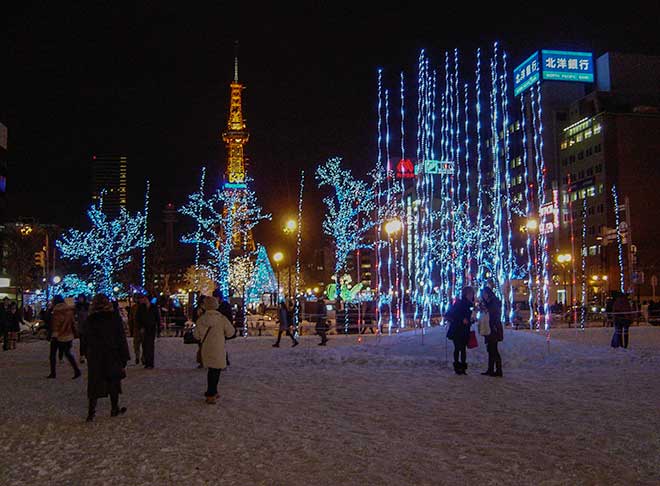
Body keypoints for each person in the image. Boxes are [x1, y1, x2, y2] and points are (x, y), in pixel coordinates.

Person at [85, 293, 130, 421]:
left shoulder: (91, 319)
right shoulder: (113, 318)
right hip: (112, 353)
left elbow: (85, 337)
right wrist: (124, 356)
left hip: (95, 354)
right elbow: (120, 338)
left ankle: (91, 412)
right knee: (113, 381)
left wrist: (86, 353)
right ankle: (114, 408)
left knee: (94, 383)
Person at [193, 296, 237, 404]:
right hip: (218, 348)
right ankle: (211, 393)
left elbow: (196, 335)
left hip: (206, 348)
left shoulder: (201, 319)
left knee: (211, 370)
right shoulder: (221, 319)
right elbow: (231, 332)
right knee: (215, 371)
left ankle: (213, 391)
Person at [47, 295, 82, 379]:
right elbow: (73, 322)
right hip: (68, 334)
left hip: (57, 335)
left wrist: (53, 334)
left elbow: (56, 324)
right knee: (67, 353)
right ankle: (76, 370)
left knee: (52, 354)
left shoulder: (56, 311)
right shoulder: (69, 310)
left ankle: (53, 373)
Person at [445, 287, 475, 375]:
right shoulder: (460, 303)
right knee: (459, 348)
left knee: (462, 349)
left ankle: (461, 367)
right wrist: (462, 319)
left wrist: (470, 320)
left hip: (464, 329)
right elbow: (453, 314)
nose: (472, 295)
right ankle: (459, 367)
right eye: (470, 294)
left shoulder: (469, 304)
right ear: (466, 294)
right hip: (458, 329)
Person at [480, 287, 504, 377]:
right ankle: (491, 369)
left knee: (493, 349)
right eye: (483, 294)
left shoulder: (493, 303)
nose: (484, 296)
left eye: (485, 294)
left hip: (493, 328)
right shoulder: (489, 303)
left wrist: (486, 311)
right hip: (489, 328)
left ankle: (498, 370)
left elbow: (493, 315)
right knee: (490, 349)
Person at [136, 293, 159, 369]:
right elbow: (138, 318)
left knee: (151, 345)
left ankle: (150, 363)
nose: (143, 300)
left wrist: (158, 328)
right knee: (145, 345)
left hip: (151, 328)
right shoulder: (140, 307)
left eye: (144, 298)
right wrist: (140, 327)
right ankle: (146, 362)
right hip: (144, 328)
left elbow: (157, 317)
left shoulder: (154, 307)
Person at [75, 294, 90, 364]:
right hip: (81, 327)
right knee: (82, 343)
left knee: (87, 342)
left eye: (81, 298)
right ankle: (82, 356)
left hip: (87, 327)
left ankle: (87, 355)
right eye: (79, 298)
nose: (80, 299)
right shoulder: (77, 307)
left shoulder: (87, 306)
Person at [127, 294, 142, 365]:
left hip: (137, 328)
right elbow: (130, 319)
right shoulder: (134, 308)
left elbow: (130, 319)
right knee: (138, 344)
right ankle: (139, 356)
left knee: (137, 344)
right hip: (138, 328)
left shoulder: (134, 308)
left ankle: (138, 356)